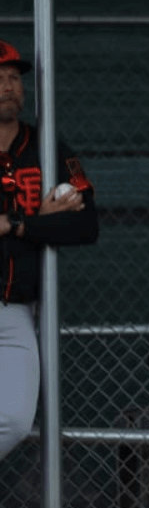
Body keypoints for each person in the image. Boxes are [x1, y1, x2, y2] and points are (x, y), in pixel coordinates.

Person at [0, 39, 98, 461]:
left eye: (13, 78)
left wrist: (19, 223)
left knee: (16, 420)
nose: (8, 86)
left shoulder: (51, 147)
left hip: (17, 308)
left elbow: (85, 223)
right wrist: (42, 220)